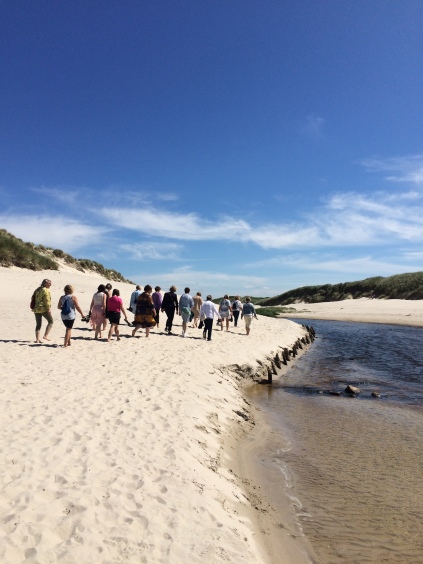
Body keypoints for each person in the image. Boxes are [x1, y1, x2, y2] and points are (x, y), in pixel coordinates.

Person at [32, 278, 53, 343]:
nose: (50, 284)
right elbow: (47, 300)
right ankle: (45, 335)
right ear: (45, 283)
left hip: (36, 309)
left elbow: (33, 297)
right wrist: (49, 308)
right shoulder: (46, 290)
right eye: (49, 283)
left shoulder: (37, 289)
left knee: (38, 324)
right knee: (51, 321)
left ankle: (37, 339)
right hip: (43, 308)